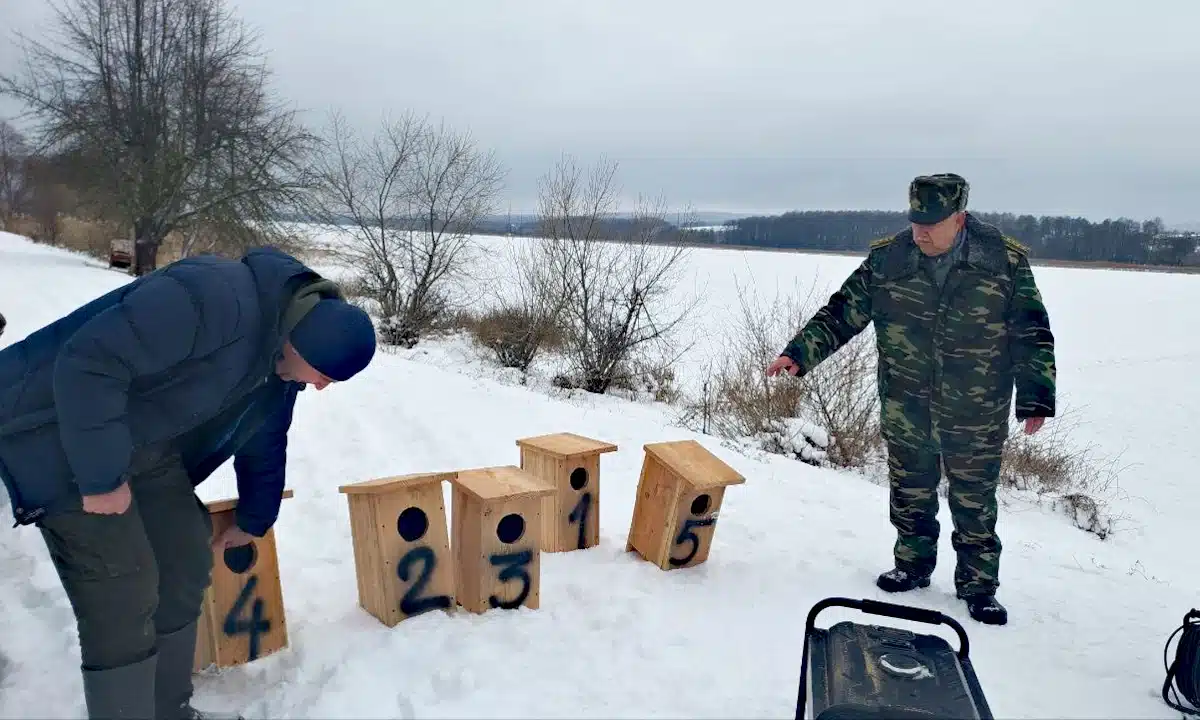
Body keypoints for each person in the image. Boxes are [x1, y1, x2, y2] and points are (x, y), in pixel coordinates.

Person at [0, 246, 377, 719]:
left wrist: (254, 520)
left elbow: (265, 437)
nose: (321, 387)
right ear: (301, 345)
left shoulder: (278, 362)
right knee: (123, 587)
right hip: (54, 434)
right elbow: (88, 361)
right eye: (323, 376)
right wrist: (101, 478)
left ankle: (168, 708)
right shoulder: (211, 295)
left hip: (143, 443)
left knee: (185, 555)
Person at [766, 173, 1056, 626]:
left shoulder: (1001, 261)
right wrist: (798, 354)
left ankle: (978, 587)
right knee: (910, 493)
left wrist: (1036, 396)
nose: (921, 231)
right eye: (915, 220)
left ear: (958, 219)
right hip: (907, 405)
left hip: (975, 411)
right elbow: (843, 311)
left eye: (932, 222)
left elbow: (1032, 331)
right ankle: (912, 565)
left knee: (974, 502)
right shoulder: (889, 260)